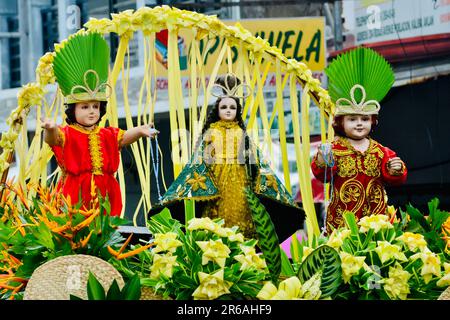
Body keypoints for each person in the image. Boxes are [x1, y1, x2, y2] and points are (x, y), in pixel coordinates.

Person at [153, 74, 304, 241]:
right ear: (218, 110)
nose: (228, 110)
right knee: (216, 218)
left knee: (240, 216)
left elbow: (255, 160)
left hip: (241, 183)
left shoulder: (242, 134)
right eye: (224, 107)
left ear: (237, 111)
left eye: (232, 108)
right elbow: (199, 161)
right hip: (217, 183)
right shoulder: (211, 133)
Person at [41, 32, 158, 216]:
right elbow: (52, 140)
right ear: (73, 110)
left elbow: (124, 138)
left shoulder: (106, 134)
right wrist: (50, 129)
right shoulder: (67, 133)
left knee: (107, 230)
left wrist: (140, 130)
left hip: (106, 192)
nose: (92, 111)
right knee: (78, 232)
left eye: (95, 106)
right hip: (76, 193)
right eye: (85, 107)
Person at [311, 47, 407, 233]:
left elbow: (396, 177)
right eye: (352, 119)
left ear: (373, 121)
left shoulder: (381, 151)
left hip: (376, 221)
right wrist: (322, 162)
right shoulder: (334, 148)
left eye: (364, 119)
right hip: (342, 224)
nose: (359, 124)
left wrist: (396, 169)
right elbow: (323, 175)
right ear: (340, 122)